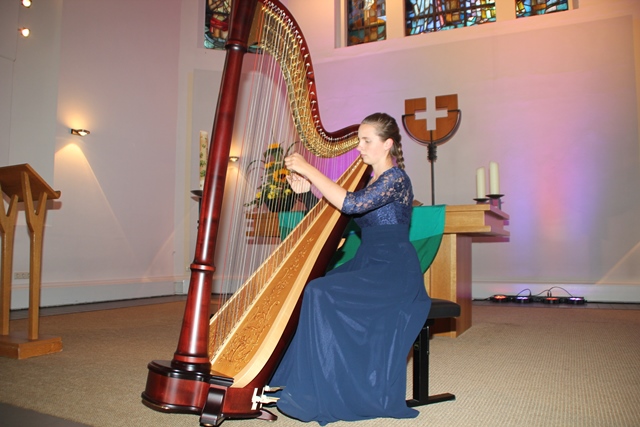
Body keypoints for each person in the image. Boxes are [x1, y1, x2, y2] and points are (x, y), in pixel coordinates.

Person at [268, 112, 432, 425]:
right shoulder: (371, 181)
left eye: (366, 140)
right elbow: (347, 207)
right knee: (312, 287)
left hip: (393, 269)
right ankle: (304, 380)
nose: (360, 147)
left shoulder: (397, 178)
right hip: (368, 262)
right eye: (359, 140)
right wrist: (310, 189)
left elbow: (352, 205)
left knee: (320, 291)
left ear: (387, 145)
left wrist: (309, 169)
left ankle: (318, 391)